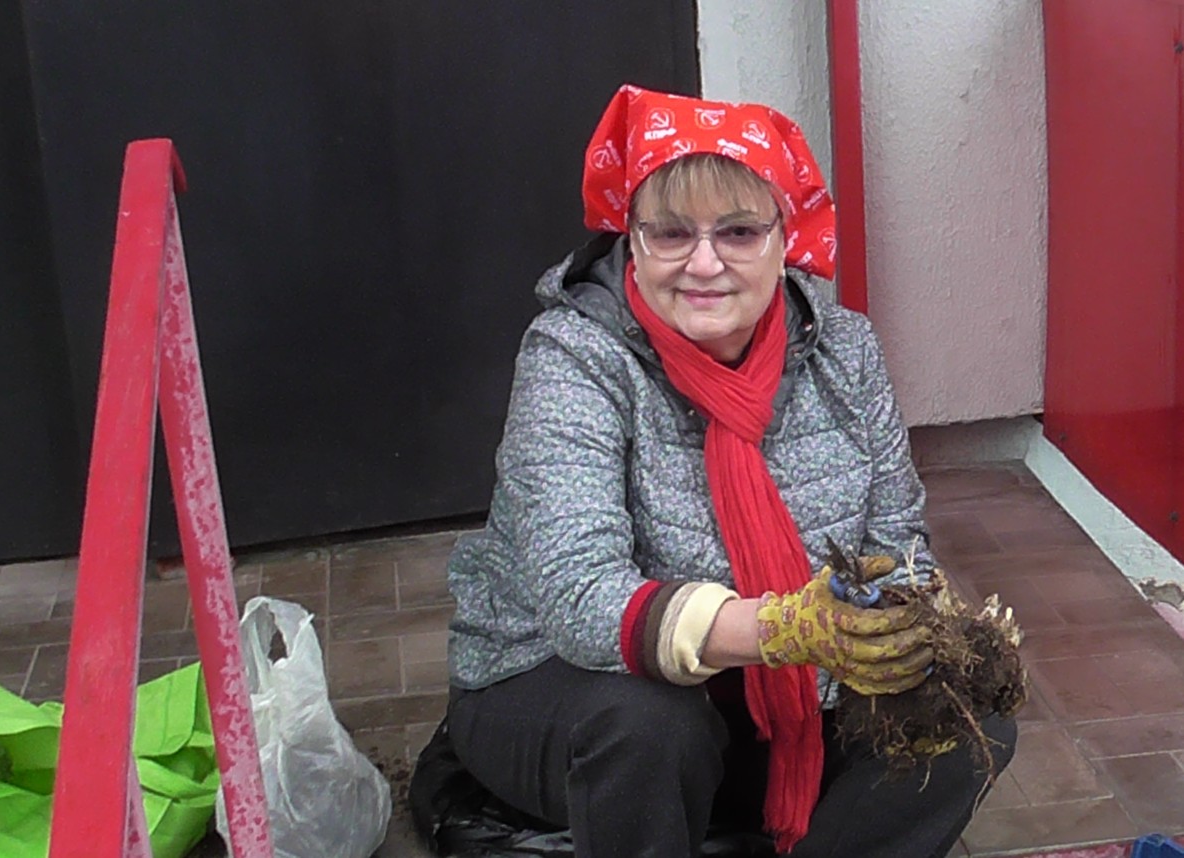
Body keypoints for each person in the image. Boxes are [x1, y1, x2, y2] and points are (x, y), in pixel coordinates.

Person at [428, 84, 1016, 858]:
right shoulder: (574, 356)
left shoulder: (845, 350)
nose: (704, 264)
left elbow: (896, 535)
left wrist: (897, 622)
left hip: (780, 701)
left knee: (967, 718)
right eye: (672, 232)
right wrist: (783, 628)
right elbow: (579, 598)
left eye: (738, 231)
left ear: (784, 237)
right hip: (559, 686)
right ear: (632, 239)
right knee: (651, 725)